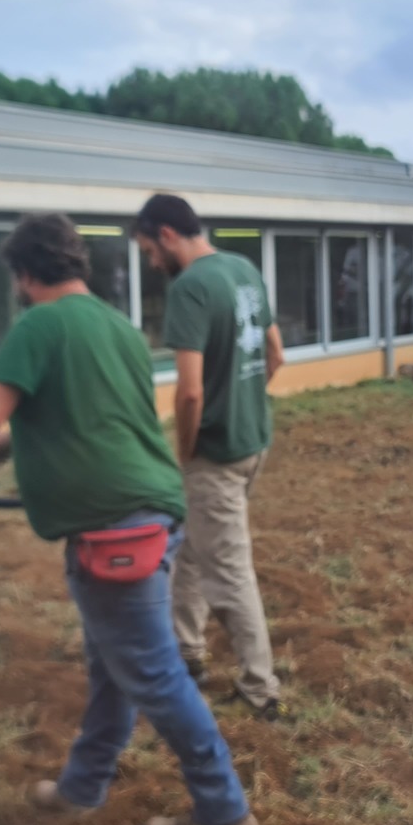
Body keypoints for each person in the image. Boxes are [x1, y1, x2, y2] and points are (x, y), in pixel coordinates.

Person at [0, 213, 258, 825]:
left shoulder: (40, 323)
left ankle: (223, 812)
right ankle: (83, 787)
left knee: (154, 673)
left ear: (25, 275)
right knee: (112, 664)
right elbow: (98, 415)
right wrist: (17, 442)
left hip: (115, 528)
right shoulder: (117, 326)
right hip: (152, 511)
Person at [132, 193, 286, 721]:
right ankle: (187, 649)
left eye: (150, 251)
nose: (152, 263)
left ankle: (260, 687)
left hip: (215, 454)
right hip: (254, 442)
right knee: (195, 549)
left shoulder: (191, 288)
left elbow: (190, 392)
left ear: (167, 234)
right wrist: (243, 401)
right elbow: (276, 354)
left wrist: (186, 449)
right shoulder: (243, 269)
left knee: (229, 570)